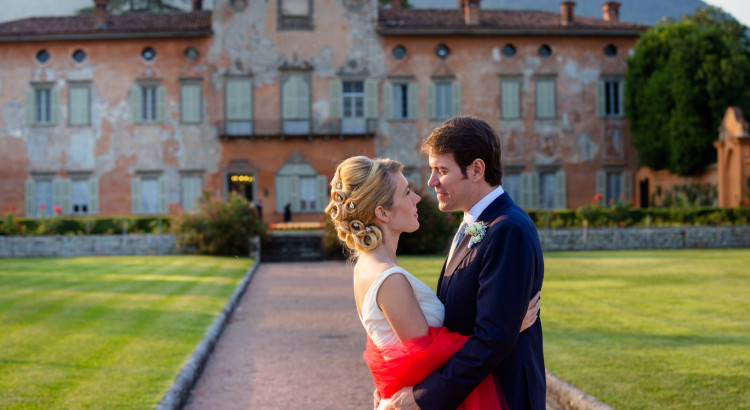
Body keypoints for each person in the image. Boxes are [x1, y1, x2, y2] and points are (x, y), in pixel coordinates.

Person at [325, 155, 540, 410]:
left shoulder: (366, 266)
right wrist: (507, 329)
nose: (417, 198)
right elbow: (428, 357)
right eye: (406, 193)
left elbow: (392, 351)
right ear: (382, 212)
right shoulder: (390, 279)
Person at [388, 116, 546, 409]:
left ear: (476, 169)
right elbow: (466, 321)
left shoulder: (507, 230)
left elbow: (493, 339)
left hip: (502, 394)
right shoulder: (472, 223)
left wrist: (425, 397)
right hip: (474, 393)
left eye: (441, 170)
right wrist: (510, 325)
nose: (431, 181)